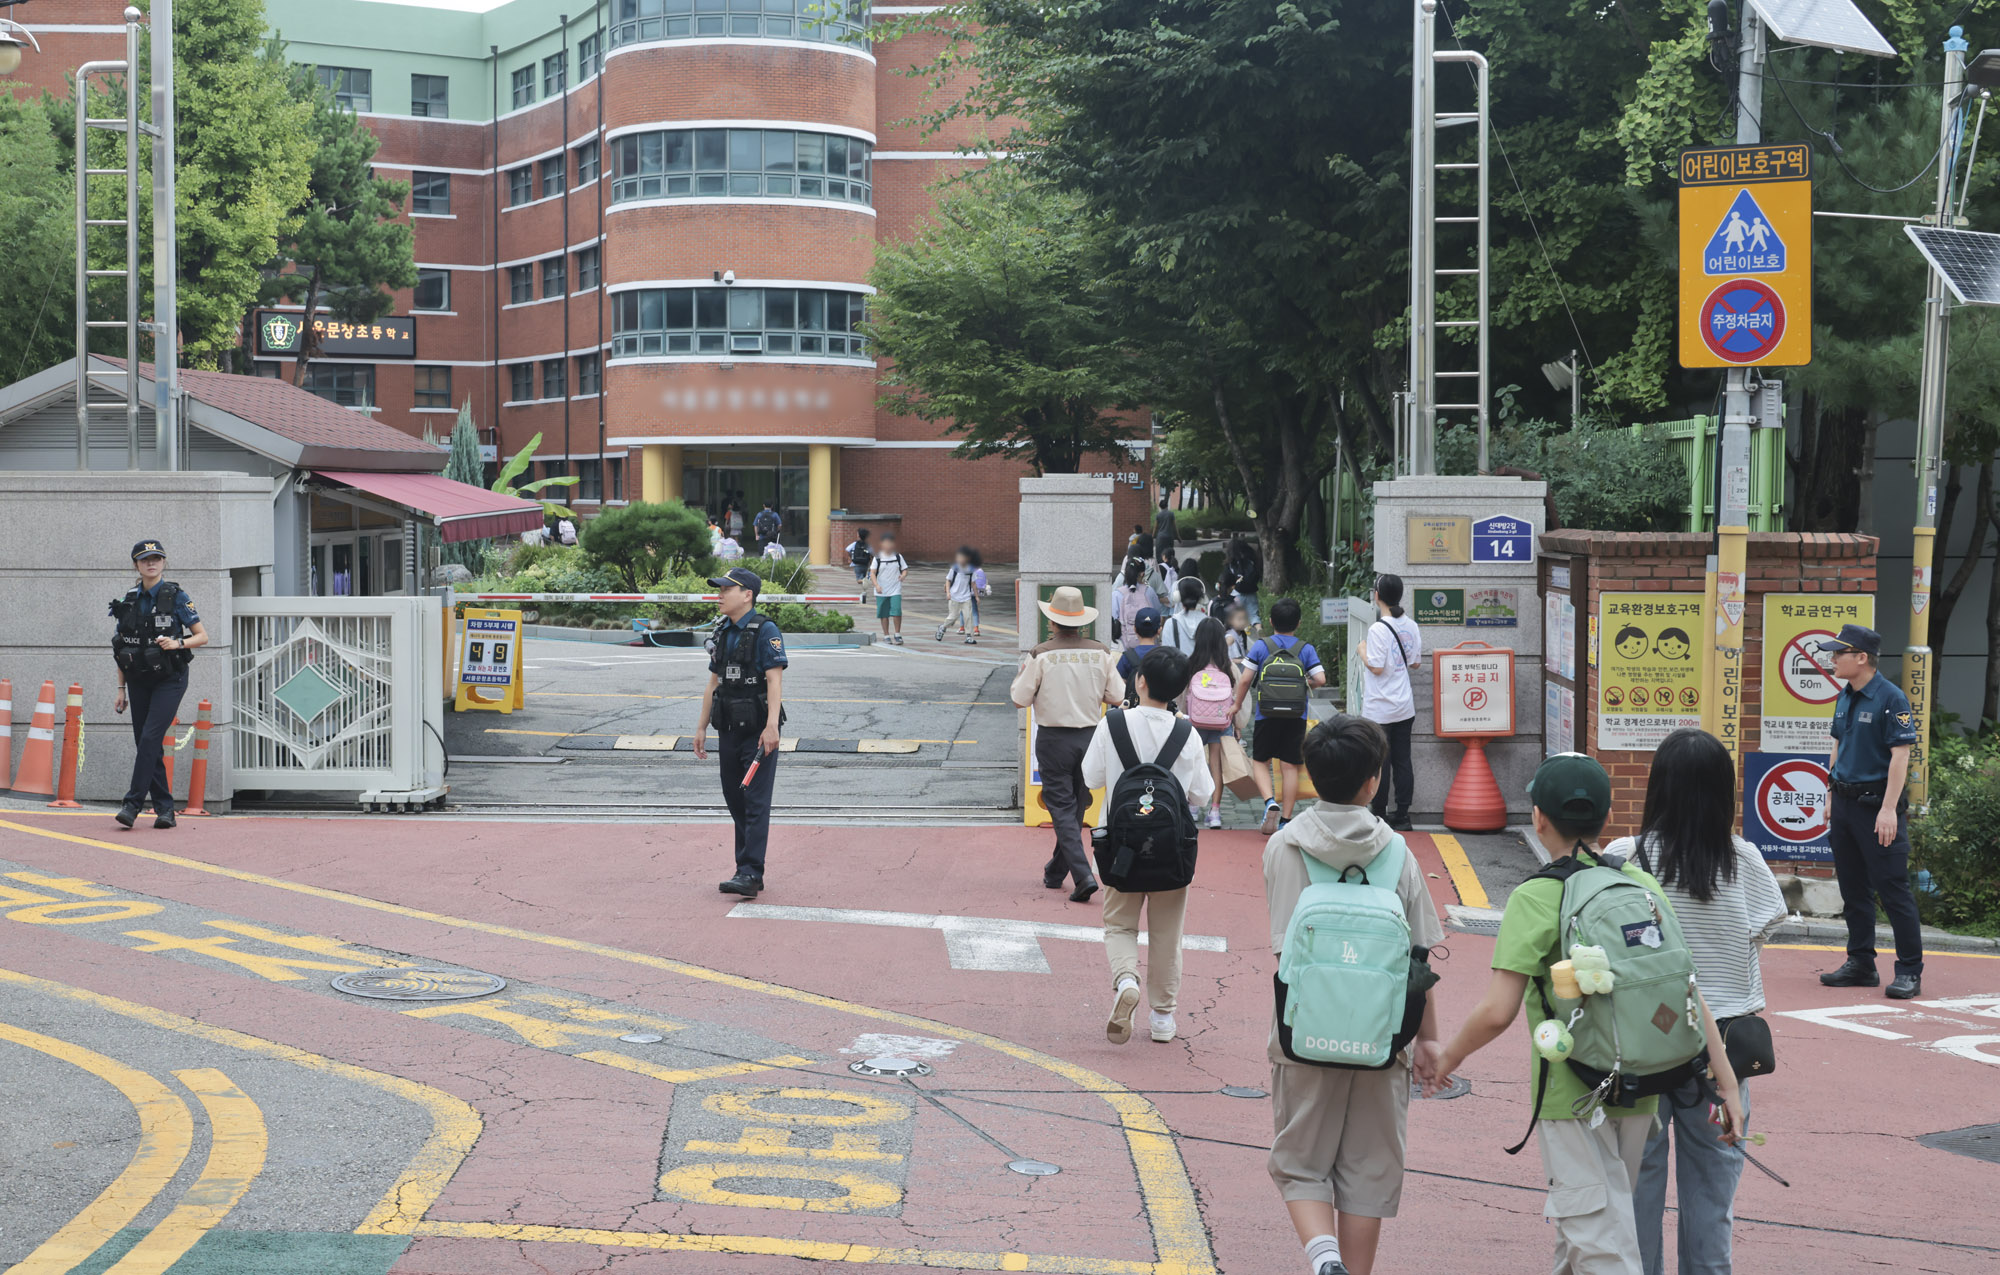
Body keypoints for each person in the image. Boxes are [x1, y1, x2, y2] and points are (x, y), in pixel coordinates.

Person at [1425, 753, 1745, 1275]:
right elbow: (1686, 988)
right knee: (1584, 1230)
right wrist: (1726, 1084)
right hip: (1638, 1084)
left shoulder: (1536, 896)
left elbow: (1497, 1011)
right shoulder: (1641, 885)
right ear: (1603, 820)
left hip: (1570, 1092)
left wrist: (1446, 1059)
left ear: (1539, 817)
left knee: (1596, 1236)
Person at [1264, 716, 1445, 1275]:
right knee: (1368, 1172)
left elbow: (1283, 949)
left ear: (1314, 776)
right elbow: (1417, 963)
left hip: (1303, 1029)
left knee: (1301, 1162)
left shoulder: (1283, 847)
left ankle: (1323, 1260)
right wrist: (1430, 1042)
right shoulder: (1400, 855)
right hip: (1382, 1035)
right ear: (1374, 780)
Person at [1606, 729, 1786, 1275]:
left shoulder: (1624, 858)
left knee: (1636, 1187)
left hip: (1644, 1045)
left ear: (1657, 787)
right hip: (1724, 1050)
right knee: (1712, 1198)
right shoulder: (1746, 861)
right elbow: (1759, 933)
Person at [1083, 645, 1212, 1045]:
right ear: (1178, 690)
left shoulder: (1113, 723)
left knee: (1119, 923)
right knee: (1167, 934)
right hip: (1172, 850)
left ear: (1139, 681)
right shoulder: (1186, 732)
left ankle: (1125, 981)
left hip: (1119, 847)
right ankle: (1162, 1018)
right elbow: (1201, 796)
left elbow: (1091, 777)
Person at [1816, 623, 1924, 998]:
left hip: (1876, 807)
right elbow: (1837, 745)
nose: (1832, 659)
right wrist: (1830, 796)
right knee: (1853, 890)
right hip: (1844, 805)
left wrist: (1889, 809)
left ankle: (1910, 970)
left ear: (1861, 658)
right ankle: (1861, 963)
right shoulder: (1845, 695)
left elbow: (1901, 756)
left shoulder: (1891, 699)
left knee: (1893, 890)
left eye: (1839, 654)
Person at [1010, 585, 1123, 902]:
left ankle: (1083, 875)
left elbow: (1020, 699)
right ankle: (1055, 871)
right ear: (1082, 622)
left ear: (1053, 621)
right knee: (1077, 804)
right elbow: (1116, 696)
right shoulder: (1101, 652)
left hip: (1053, 739)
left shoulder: (1041, 653)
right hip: (1090, 736)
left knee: (1061, 806)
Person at [694, 567, 787, 899]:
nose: (719, 594)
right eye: (718, 589)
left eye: (725, 589)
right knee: (735, 798)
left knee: (755, 801)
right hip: (728, 729)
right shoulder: (723, 632)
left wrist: (772, 726)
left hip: (759, 732)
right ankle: (749, 870)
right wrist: (702, 726)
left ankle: (748, 871)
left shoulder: (765, 630)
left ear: (747, 594)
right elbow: (713, 683)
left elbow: (775, 680)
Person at [110, 540, 210, 829]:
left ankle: (132, 804)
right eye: (145, 560)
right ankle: (166, 809)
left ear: (164, 563)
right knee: (145, 742)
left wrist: (177, 642)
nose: (151, 563)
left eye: (156, 558)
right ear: (136, 565)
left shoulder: (177, 596)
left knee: (151, 738)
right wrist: (121, 689)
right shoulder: (128, 600)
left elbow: (202, 636)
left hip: (170, 678)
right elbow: (121, 649)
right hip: (138, 680)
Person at [1232, 597, 1326, 836]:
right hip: (1296, 715)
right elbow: (1321, 679)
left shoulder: (1261, 646)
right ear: (1299, 623)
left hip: (1266, 713)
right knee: (1290, 765)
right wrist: (1304, 685)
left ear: (1271, 621)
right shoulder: (1305, 649)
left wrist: (1236, 705)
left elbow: (1244, 680)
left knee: (1260, 761)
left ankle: (1268, 802)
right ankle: (1285, 819)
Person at [1360, 575, 1422, 832]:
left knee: (1380, 762)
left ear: (1377, 595)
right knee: (1402, 760)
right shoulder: (1411, 625)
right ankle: (1404, 815)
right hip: (1404, 705)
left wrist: (1361, 650)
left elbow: (1375, 667)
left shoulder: (1377, 629)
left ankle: (1381, 814)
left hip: (1380, 706)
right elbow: (1415, 663)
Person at [1187, 617, 1237, 830]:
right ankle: (1215, 811)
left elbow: (1182, 697)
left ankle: (1193, 807)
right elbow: (1238, 697)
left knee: (1192, 764)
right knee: (1216, 766)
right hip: (1221, 721)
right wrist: (1239, 725)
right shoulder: (1228, 666)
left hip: (1195, 722)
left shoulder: (1192, 664)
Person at [1115, 609, 1164, 706]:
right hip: (1159, 710)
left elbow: (1118, 687)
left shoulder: (1127, 657)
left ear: (1135, 629)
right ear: (1159, 630)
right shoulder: (1165, 656)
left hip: (1132, 712)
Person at [1113, 557, 1160, 653]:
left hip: (1125, 647)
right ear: (1142, 574)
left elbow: (1113, 618)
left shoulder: (1117, 594)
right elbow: (1158, 613)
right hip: (1150, 647)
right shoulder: (1149, 591)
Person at [868, 534, 909, 645]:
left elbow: (905, 569)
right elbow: (872, 573)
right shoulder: (878, 558)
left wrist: (903, 576)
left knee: (896, 611)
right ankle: (886, 635)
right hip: (881, 590)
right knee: (884, 614)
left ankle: (897, 634)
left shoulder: (898, 556)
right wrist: (876, 585)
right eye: (885, 543)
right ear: (881, 544)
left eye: (890, 543)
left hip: (895, 589)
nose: (888, 545)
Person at [937, 546, 980, 644]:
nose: (960, 560)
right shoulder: (954, 568)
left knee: (968, 617)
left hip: (966, 597)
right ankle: (943, 627)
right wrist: (948, 593)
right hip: (954, 597)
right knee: (953, 617)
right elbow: (948, 581)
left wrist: (976, 596)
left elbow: (973, 584)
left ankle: (969, 636)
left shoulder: (970, 570)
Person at [1228, 537, 1263, 631]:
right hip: (1251, 592)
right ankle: (1259, 628)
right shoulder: (1251, 561)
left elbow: (1229, 579)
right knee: (1253, 615)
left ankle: (1244, 628)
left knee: (1235, 616)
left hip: (1237, 594)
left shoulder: (1233, 563)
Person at [966, 548, 992, 640]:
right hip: (976, 592)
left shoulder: (966, 568)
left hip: (966, 591)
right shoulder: (979, 569)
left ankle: (962, 627)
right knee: (974, 610)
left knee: (962, 610)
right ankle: (976, 628)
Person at [1154, 496, 1178, 571]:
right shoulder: (1171, 514)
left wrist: (1152, 536)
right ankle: (1171, 568)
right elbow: (1174, 527)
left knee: (1159, 555)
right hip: (1169, 537)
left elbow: (1155, 527)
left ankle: (1161, 570)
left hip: (1160, 537)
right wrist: (1178, 537)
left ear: (1160, 507)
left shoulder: (1158, 515)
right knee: (1170, 554)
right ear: (1167, 506)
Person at [846, 527, 874, 592]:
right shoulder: (867, 545)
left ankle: (864, 581)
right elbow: (872, 554)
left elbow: (847, 549)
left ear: (858, 536)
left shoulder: (855, 544)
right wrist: (871, 563)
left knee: (859, 580)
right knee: (863, 577)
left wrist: (849, 558)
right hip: (865, 564)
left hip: (857, 564)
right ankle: (864, 589)